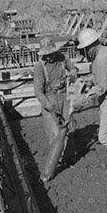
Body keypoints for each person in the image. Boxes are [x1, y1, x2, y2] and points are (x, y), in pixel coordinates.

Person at [77, 27, 107, 168]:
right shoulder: (104, 50)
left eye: (85, 50)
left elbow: (101, 88)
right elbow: (101, 76)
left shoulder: (100, 59)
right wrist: (88, 79)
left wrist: (85, 98)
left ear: (90, 47)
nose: (85, 54)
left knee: (103, 136)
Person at [32, 42, 77, 185]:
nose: (50, 57)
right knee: (53, 134)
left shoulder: (62, 58)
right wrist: (49, 107)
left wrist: (74, 71)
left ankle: (62, 156)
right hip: (49, 98)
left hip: (64, 96)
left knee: (65, 130)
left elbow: (73, 68)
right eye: (47, 55)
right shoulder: (39, 67)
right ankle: (52, 166)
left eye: (51, 54)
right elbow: (38, 92)